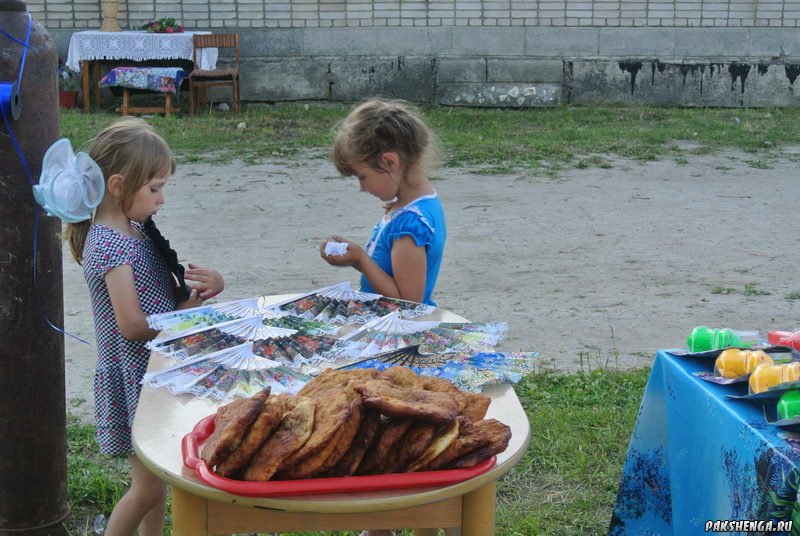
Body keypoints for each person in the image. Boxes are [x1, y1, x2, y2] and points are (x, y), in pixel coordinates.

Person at [50, 118, 224, 536]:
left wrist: (198, 300)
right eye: (155, 188)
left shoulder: (135, 231)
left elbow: (160, 307)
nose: (161, 199)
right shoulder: (110, 244)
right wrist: (187, 323)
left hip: (152, 373)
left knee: (155, 485)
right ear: (117, 185)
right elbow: (132, 326)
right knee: (146, 491)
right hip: (133, 379)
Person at [320, 98, 446, 307]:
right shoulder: (417, 204)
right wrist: (355, 260)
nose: (362, 187)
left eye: (362, 177)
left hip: (397, 331)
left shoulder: (410, 225)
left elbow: (409, 303)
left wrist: (361, 259)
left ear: (390, 162)